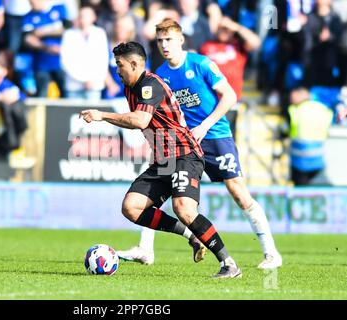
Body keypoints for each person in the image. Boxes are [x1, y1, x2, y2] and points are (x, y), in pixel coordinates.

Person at [118, 19, 282, 269]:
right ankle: (145, 249)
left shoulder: (201, 63)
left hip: (214, 134)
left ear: (181, 39)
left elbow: (230, 96)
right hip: (180, 143)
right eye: (160, 41)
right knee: (155, 195)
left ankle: (271, 252)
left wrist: (205, 126)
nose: (164, 45)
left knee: (238, 191)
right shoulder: (159, 75)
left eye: (169, 39)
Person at [80, 41, 241, 278]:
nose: (117, 70)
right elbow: (148, 124)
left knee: (184, 208)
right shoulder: (130, 89)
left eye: (119, 64)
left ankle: (229, 264)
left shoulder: (150, 85)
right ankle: (192, 236)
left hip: (185, 153)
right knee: (132, 208)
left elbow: (140, 121)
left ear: (134, 64)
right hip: (164, 160)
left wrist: (101, 115)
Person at [60, 5, 108, 101]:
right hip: (73, 86)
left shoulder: (100, 33)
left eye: (86, 16)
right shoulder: (69, 34)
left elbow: (102, 60)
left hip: (94, 85)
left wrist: (91, 80)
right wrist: (83, 80)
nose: (83, 19)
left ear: (94, 18)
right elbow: (65, 61)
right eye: (81, 16)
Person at [287, 87, 334, 185]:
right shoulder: (322, 108)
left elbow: (287, 129)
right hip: (318, 160)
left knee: (301, 194)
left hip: (299, 163)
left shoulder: (294, 110)